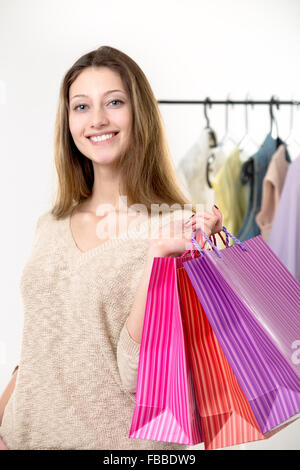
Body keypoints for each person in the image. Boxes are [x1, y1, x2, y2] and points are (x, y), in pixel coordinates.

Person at [0, 45, 222, 450]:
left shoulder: (178, 231)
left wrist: (160, 257)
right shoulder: (49, 224)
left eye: (114, 102)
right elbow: (39, 345)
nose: (97, 120)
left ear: (140, 113)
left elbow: (144, 377)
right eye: (81, 106)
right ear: (67, 121)